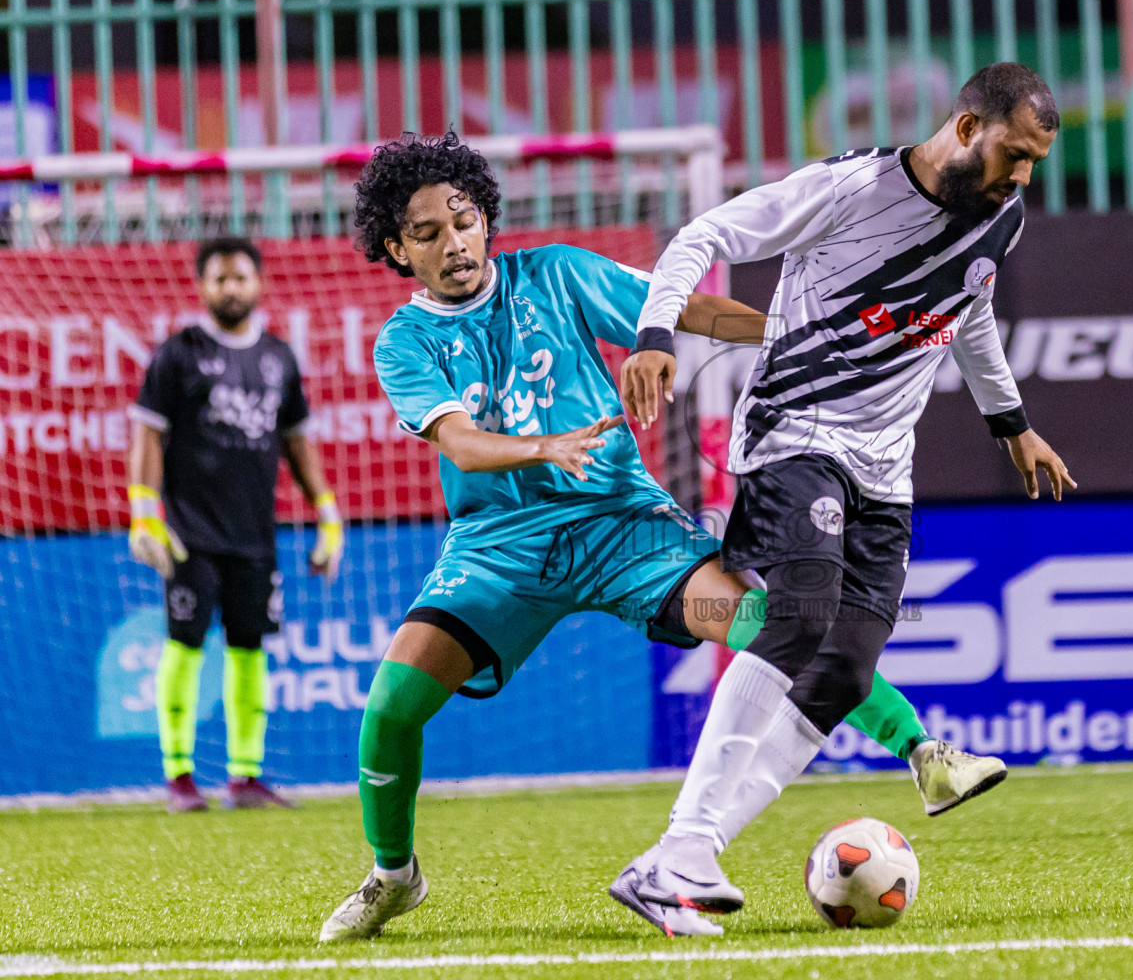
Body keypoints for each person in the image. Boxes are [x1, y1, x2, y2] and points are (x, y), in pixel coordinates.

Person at [318, 132, 1007, 942]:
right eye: (427, 233)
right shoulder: (405, 340)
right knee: (391, 709)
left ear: (485, 219)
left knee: (770, 625)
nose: (454, 242)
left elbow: (696, 311)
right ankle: (394, 877)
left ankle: (924, 750)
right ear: (398, 248)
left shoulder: (559, 273)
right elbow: (463, 442)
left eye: (462, 220)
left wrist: (809, 337)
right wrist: (545, 447)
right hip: (501, 547)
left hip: (623, 526)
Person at [612, 61, 1075, 933]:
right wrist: (655, 332)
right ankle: (681, 851)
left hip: (885, 471)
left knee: (844, 672)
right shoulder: (849, 189)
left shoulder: (998, 218)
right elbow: (701, 234)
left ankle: (680, 859)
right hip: (796, 433)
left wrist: (1012, 425)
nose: (1021, 178)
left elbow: (968, 310)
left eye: (1033, 165)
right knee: (798, 615)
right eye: (1013, 155)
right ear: (968, 128)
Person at [127, 236, 344, 813]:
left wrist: (326, 510)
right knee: (186, 646)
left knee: (250, 649)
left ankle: (245, 778)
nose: (230, 288)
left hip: (254, 535)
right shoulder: (179, 353)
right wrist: (144, 509)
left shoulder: (278, 357)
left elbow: (296, 440)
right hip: (188, 532)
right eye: (219, 279)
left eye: (240, 278)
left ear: (258, 283)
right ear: (202, 287)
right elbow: (148, 432)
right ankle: (179, 779)